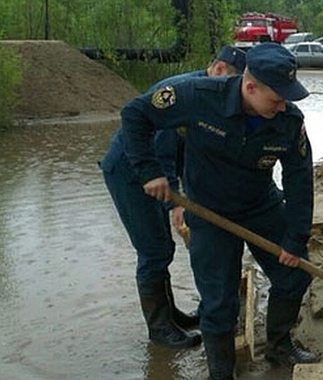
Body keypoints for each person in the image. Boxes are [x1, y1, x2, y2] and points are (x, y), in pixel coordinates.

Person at [119, 42, 319, 379]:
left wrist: (295, 239)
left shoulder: (289, 121)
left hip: (260, 206)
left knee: (296, 273)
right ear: (250, 86)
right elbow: (136, 113)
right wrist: (149, 170)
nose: (283, 105)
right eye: (276, 98)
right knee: (218, 302)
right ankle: (221, 373)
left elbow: (300, 180)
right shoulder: (198, 96)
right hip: (209, 211)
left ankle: (280, 345)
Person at [99, 45, 245, 349]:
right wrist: (175, 203)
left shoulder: (210, 93)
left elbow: (192, 152)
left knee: (163, 247)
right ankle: (159, 329)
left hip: (154, 172)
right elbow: (164, 149)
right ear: (219, 69)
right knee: (153, 250)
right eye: (233, 80)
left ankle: (171, 314)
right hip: (129, 172)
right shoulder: (181, 92)